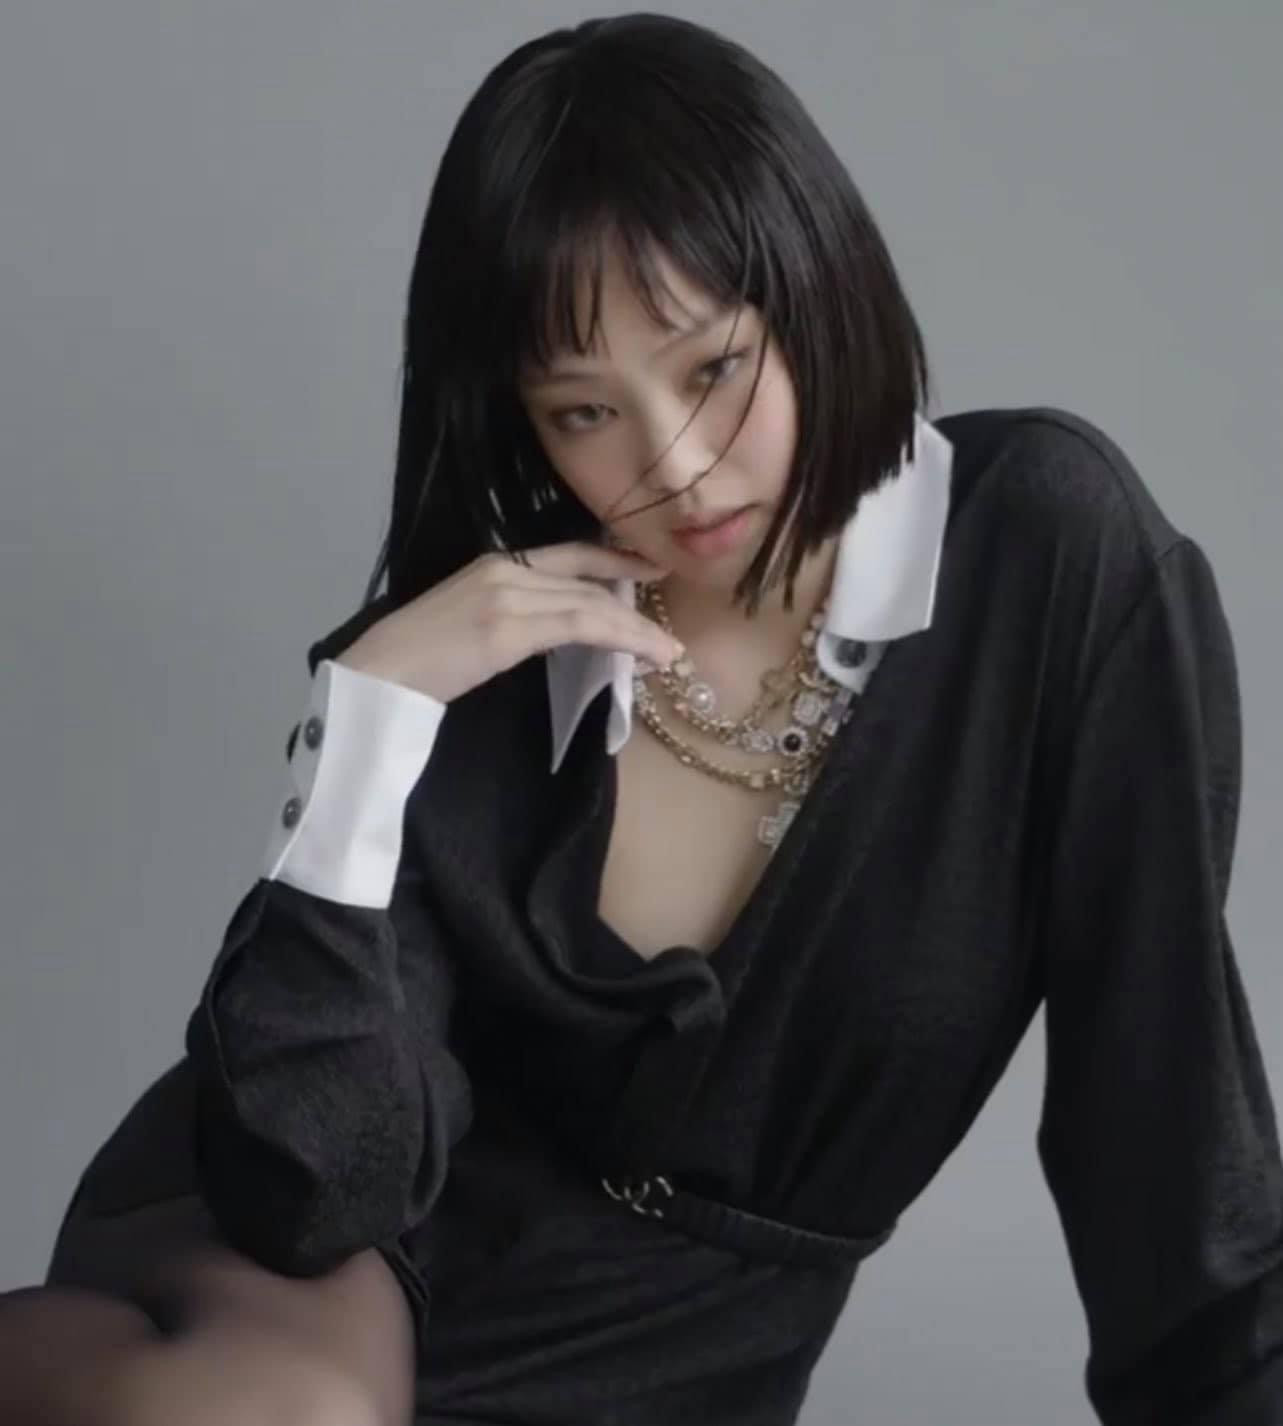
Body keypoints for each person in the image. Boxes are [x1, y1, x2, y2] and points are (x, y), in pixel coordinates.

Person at [3, 12, 1281, 1425]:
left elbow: (1166, 1134)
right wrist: (368, 720)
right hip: (299, 1299)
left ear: (820, 285)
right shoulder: (484, 662)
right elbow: (313, 1189)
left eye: (712, 367)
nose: (673, 465)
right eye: (583, 411)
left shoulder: (1046, 554)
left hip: (655, 1370)